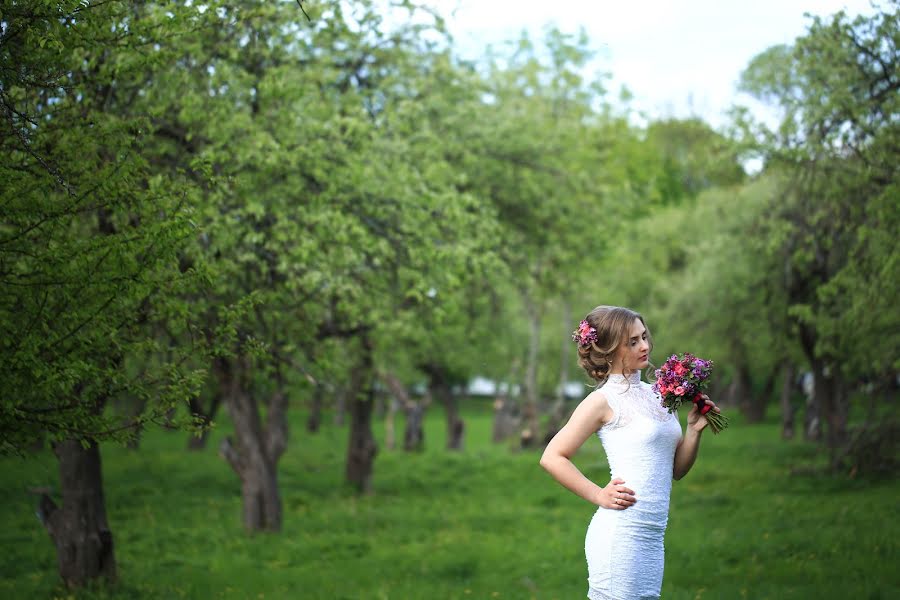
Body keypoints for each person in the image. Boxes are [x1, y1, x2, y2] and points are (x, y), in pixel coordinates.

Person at [539, 305, 719, 600]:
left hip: (651, 536)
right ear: (609, 350)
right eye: (632, 342)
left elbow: (675, 470)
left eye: (644, 337)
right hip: (621, 535)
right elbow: (552, 456)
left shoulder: (659, 395)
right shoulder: (602, 400)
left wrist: (693, 431)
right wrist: (598, 494)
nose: (645, 346)